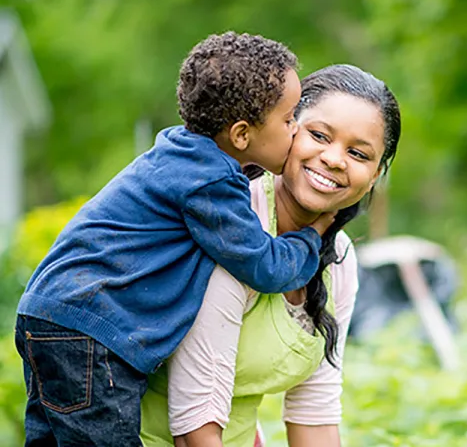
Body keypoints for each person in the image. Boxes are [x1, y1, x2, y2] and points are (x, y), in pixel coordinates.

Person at [14, 32, 336, 446]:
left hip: (51, 314)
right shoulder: (211, 181)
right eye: (290, 119)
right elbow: (264, 265)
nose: (295, 131)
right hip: (93, 330)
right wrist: (312, 238)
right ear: (241, 134)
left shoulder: (179, 155)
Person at [140, 64, 402, 447]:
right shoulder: (232, 229)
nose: (334, 159)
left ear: (375, 175)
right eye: (318, 135)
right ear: (286, 129)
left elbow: (315, 411)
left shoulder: (338, 258)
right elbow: (195, 425)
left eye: (358, 154)